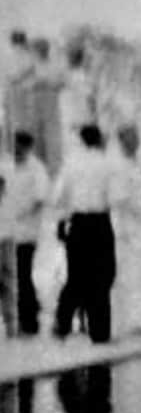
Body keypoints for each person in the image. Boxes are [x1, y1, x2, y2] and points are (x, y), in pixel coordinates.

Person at [49, 124, 126, 343]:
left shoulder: (71, 163)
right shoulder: (106, 164)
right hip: (99, 222)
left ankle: (62, 323)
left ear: (81, 140)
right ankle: (99, 332)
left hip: (78, 223)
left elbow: (58, 197)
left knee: (76, 276)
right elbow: (116, 196)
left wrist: (61, 221)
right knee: (102, 277)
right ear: (99, 140)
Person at [107, 126, 141, 336]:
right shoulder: (118, 167)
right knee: (123, 277)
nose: (135, 142)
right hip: (125, 227)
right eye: (130, 138)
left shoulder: (140, 165)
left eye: (136, 138)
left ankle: (139, 321)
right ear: (121, 141)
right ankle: (120, 323)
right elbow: (120, 198)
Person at [1, 132, 50, 335]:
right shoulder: (7, 166)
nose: (17, 150)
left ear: (29, 147)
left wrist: (20, 212)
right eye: (15, 147)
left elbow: (39, 199)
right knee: (14, 277)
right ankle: (20, 320)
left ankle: (29, 322)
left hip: (27, 231)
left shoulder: (37, 169)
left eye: (21, 147)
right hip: (8, 231)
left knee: (22, 275)